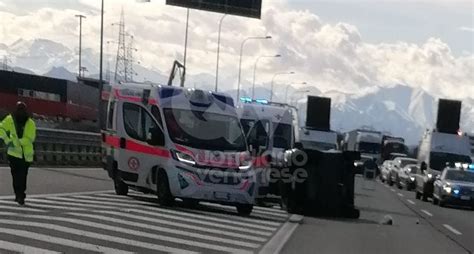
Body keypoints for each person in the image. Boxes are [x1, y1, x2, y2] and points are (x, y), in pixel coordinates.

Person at [0, 102, 37, 205]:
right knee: (16, 175)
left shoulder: (30, 123)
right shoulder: (10, 120)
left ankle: (21, 194)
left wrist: (16, 142)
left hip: (25, 155)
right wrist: (7, 140)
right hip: (14, 154)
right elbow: (1, 129)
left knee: (22, 175)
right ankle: (18, 194)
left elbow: (30, 138)